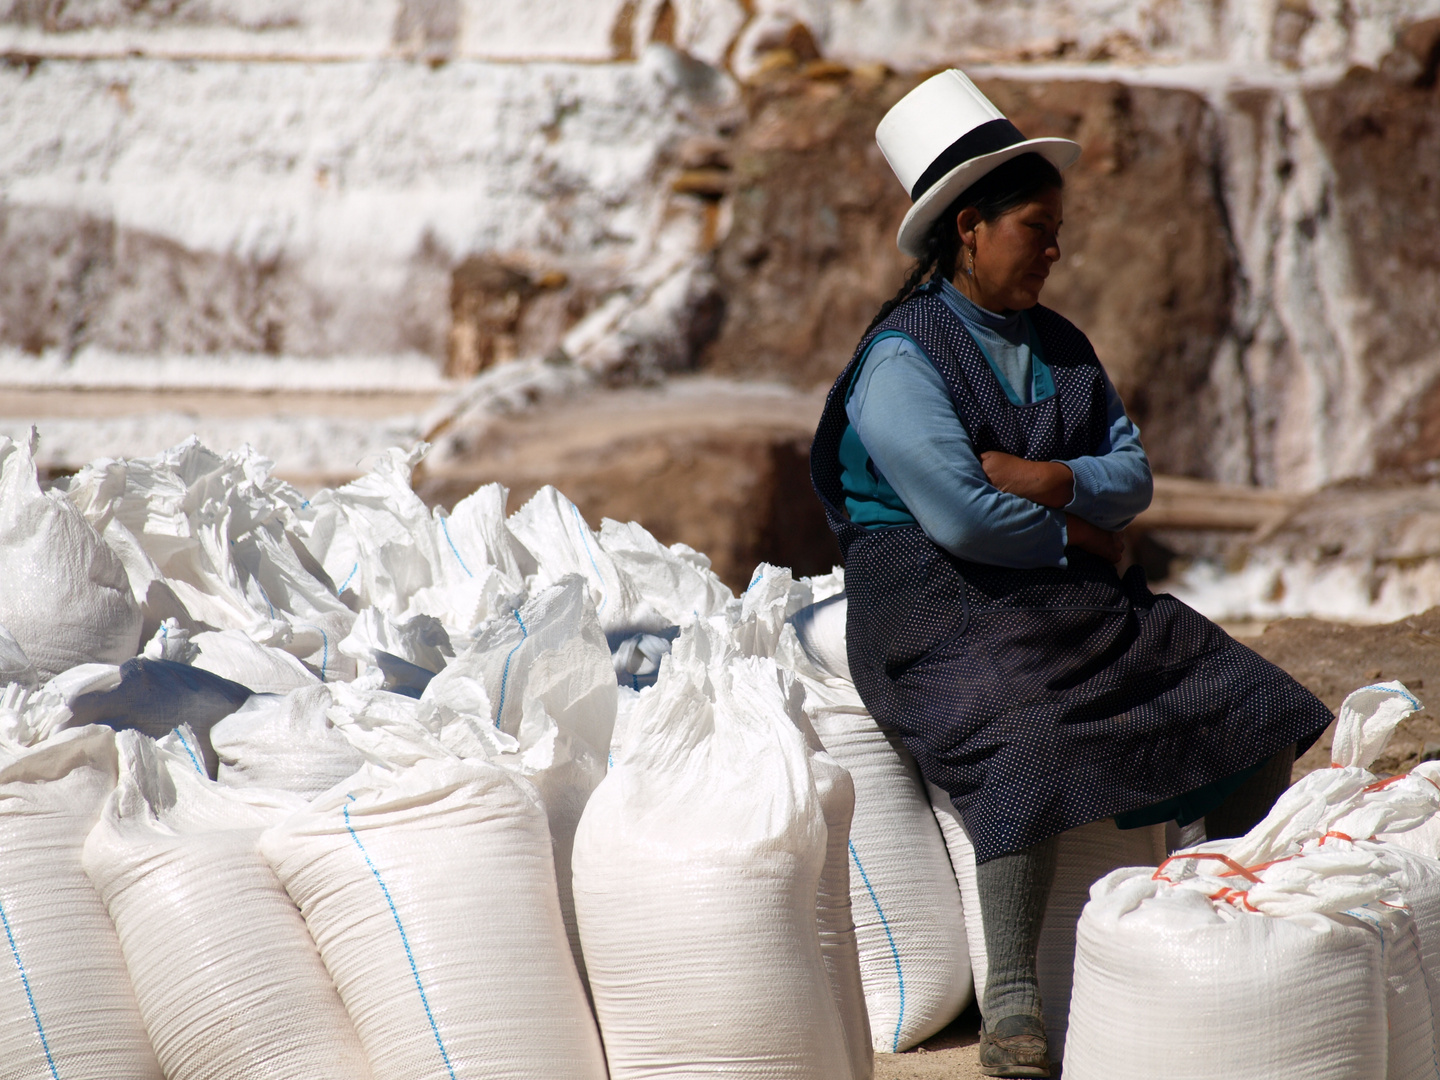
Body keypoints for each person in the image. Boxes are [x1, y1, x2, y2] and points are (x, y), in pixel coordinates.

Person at [808, 70, 1333, 1078]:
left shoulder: (1063, 347)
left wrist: (1051, 475)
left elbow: (1130, 474)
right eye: (1035, 228)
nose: (1055, 247)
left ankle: (1206, 901)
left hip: (1052, 599)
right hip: (929, 603)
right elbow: (958, 514)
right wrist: (1080, 535)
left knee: (1245, 696)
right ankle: (1011, 998)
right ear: (969, 225)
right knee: (1022, 727)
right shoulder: (900, 361)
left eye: (1057, 229)